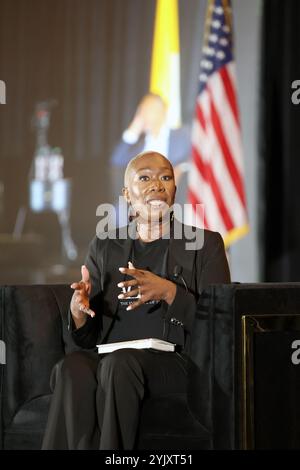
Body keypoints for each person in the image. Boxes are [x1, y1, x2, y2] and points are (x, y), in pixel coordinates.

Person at [42, 151, 230, 450]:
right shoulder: (104, 245)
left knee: (119, 365)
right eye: (145, 177)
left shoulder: (205, 244)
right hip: (112, 356)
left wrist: (169, 292)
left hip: (179, 362)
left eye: (165, 177)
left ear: (174, 191)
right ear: (127, 194)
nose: (157, 184)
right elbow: (86, 335)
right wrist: (79, 310)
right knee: (72, 367)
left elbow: (222, 324)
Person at [110, 94, 192, 225]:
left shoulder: (182, 135)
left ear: (162, 112)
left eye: (147, 110)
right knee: (119, 211)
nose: (143, 115)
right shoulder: (137, 143)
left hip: (173, 195)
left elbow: (198, 158)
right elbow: (116, 160)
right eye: (141, 111)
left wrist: (181, 168)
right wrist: (132, 132)